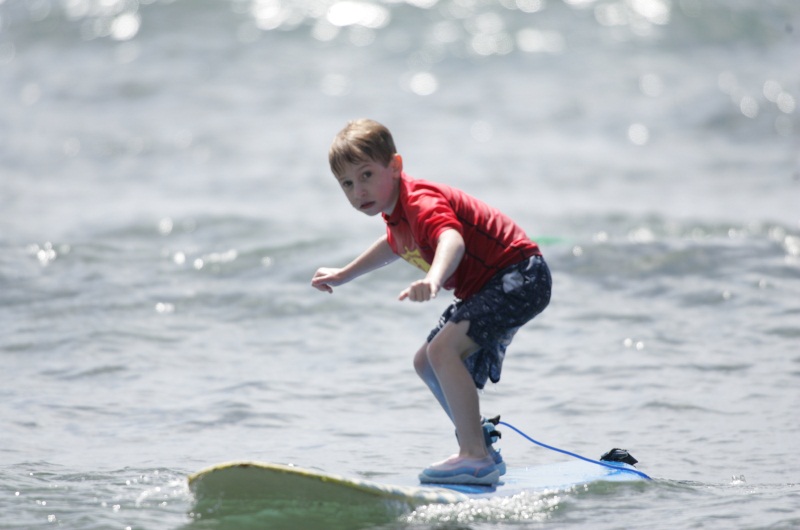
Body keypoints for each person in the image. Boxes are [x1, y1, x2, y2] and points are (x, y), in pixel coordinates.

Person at [311, 119, 551, 485]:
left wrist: (433, 280)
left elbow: (451, 239)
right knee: (425, 361)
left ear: (395, 166)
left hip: (520, 274)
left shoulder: (420, 201)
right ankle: (481, 445)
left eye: (366, 175)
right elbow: (393, 245)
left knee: (443, 352)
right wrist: (344, 274)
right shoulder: (396, 216)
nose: (358, 190)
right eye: (347, 183)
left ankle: (475, 456)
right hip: (497, 283)